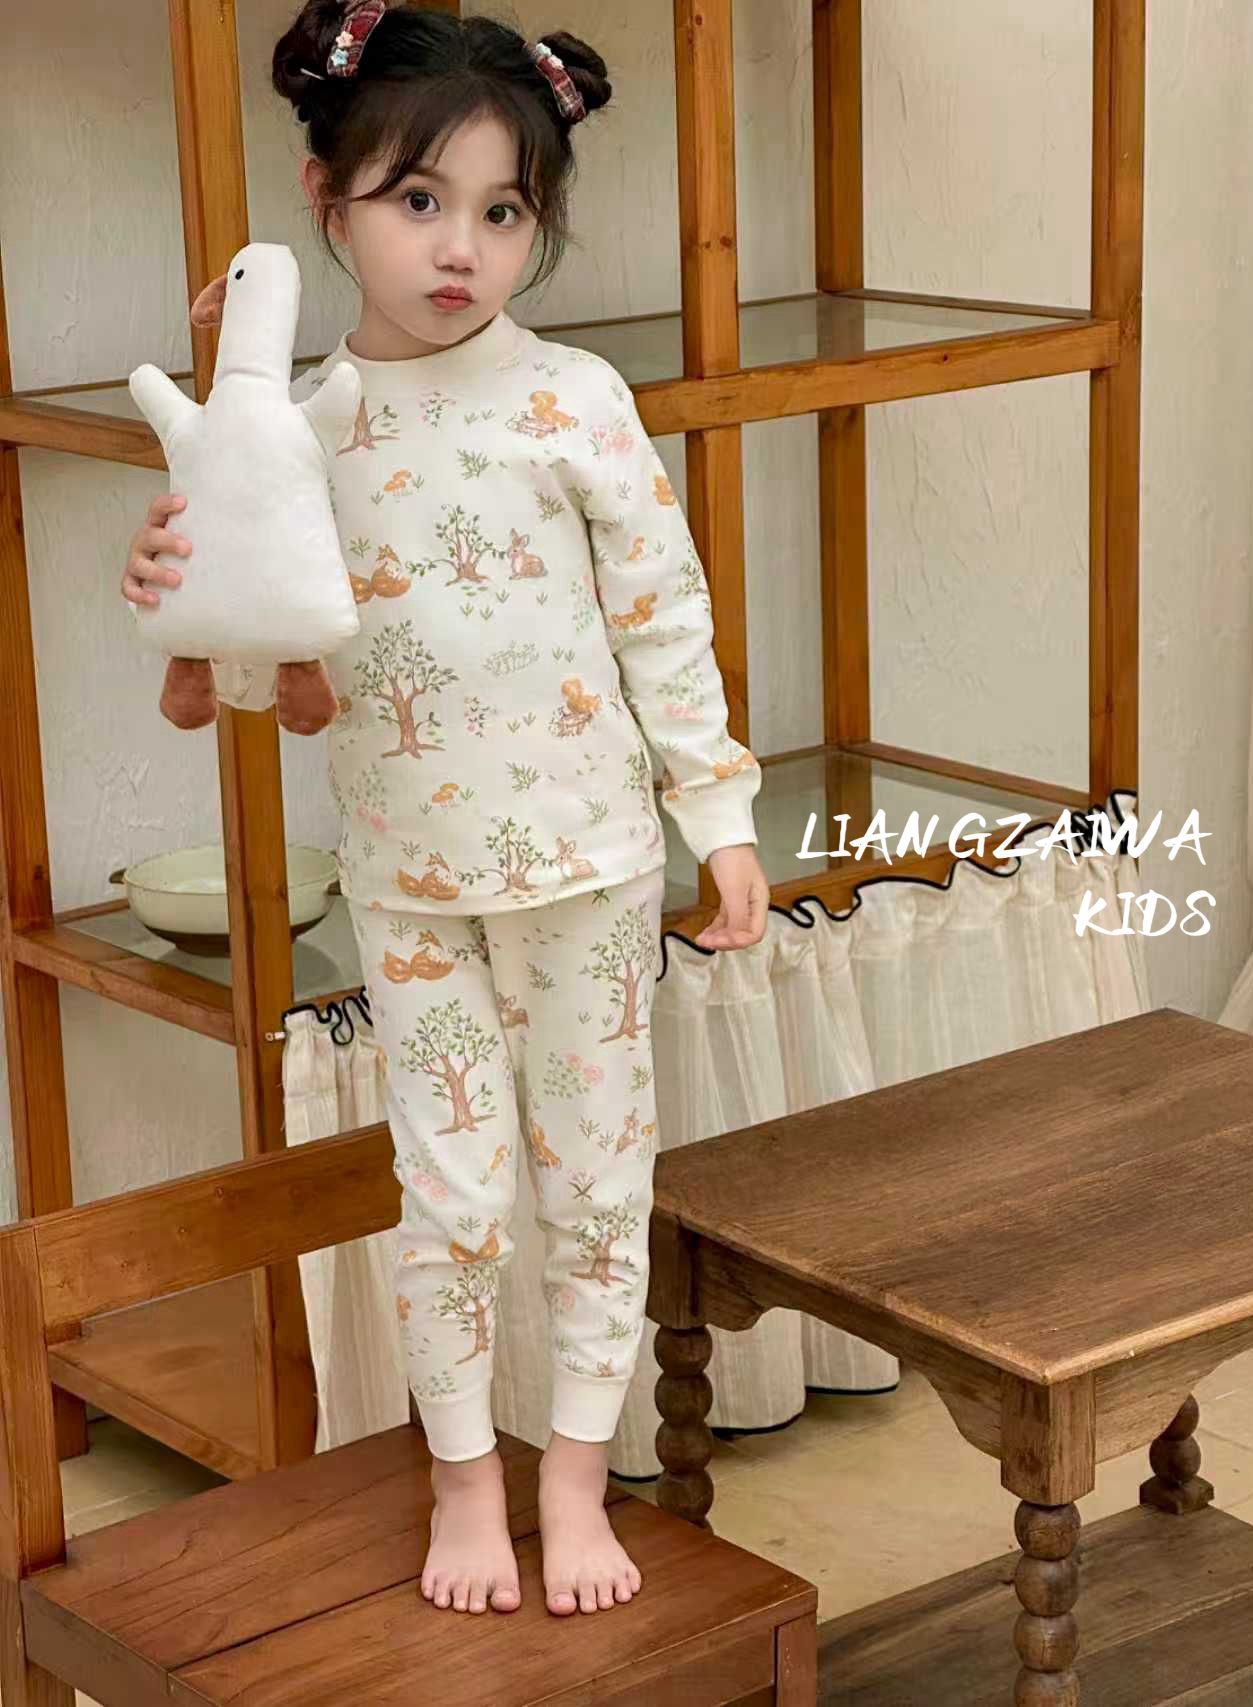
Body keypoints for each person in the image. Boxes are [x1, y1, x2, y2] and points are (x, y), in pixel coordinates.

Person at [121, 1, 769, 1624]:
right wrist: (186, 614)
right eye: (419, 201)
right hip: (411, 882)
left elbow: (663, 615)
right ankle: (466, 1478)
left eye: (502, 210)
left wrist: (719, 813)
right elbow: (268, 659)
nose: (462, 247)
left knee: (597, 1187)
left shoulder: (576, 401)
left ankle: (577, 1476)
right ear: (326, 198)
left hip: (593, 873)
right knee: (455, 1199)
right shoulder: (302, 428)